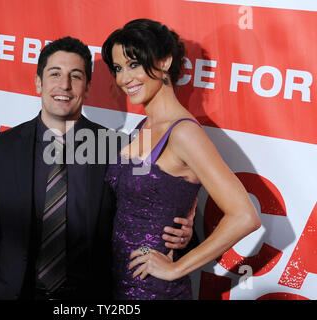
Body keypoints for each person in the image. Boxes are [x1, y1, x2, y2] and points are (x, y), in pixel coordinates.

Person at [0, 36, 195, 300]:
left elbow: (150, 218)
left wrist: (183, 236)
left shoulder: (119, 148)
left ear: (87, 87)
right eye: (55, 74)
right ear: (38, 82)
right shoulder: (0, 148)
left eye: (75, 76)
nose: (64, 85)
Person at [101, 19, 261, 300]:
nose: (124, 78)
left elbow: (245, 216)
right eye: (118, 68)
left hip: (153, 290)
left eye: (134, 64)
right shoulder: (145, 125)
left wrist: (176, 269)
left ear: (164, 62)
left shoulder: (184, 132)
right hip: (119, 281)